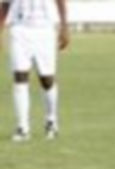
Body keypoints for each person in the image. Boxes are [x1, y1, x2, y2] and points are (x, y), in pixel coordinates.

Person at [0, 0, 69, 141]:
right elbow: (5, 4)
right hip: (19, 29)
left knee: (47, 79)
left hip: (44, 30)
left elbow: (61, 1)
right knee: (19, 77)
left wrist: (64, 27)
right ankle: (22, 127)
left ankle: (51, 121)